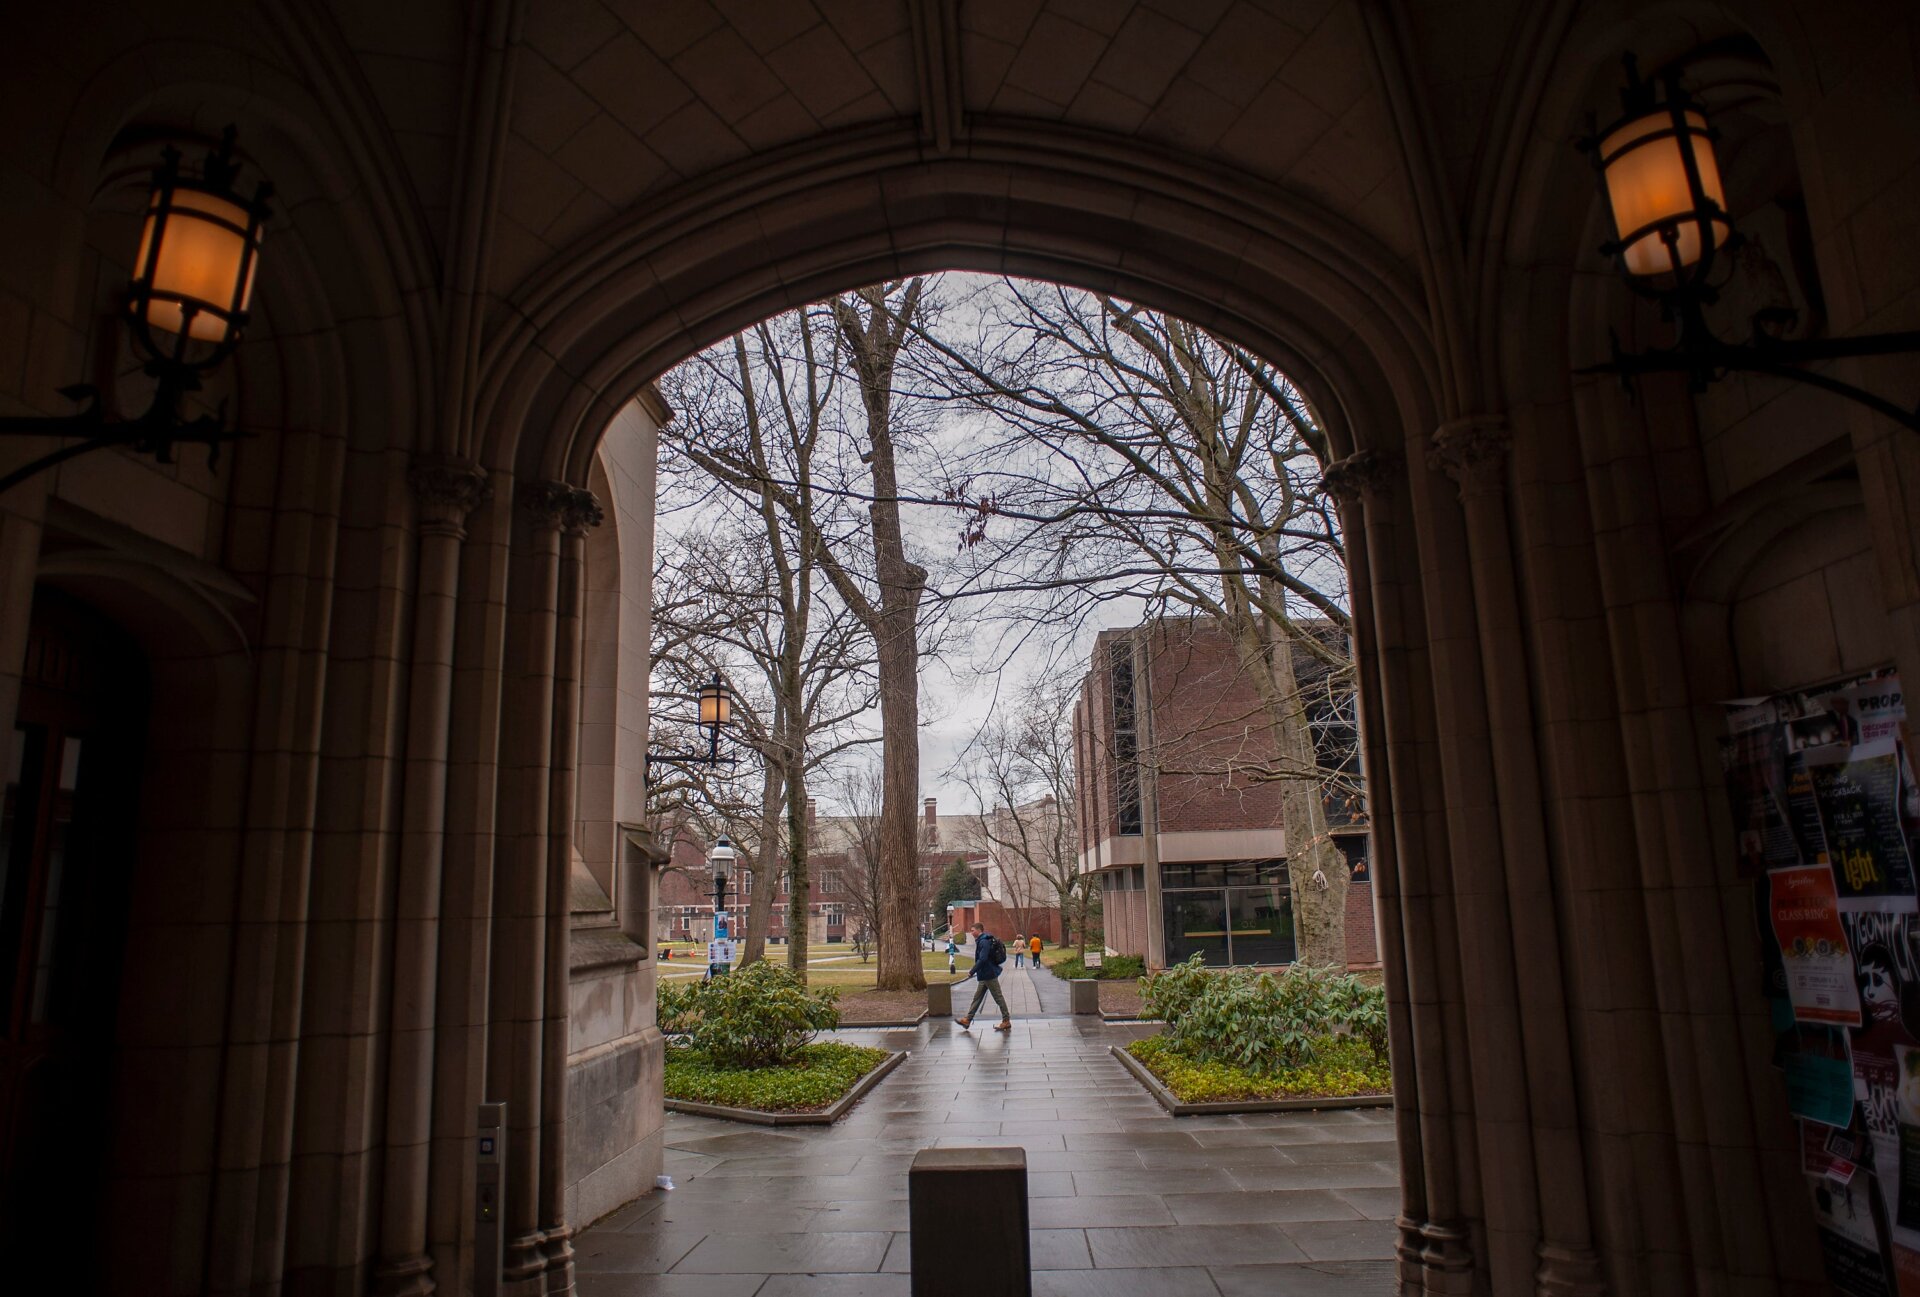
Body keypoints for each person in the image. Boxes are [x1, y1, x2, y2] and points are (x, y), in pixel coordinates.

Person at [956, 922, 1012, 1032]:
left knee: (998, 998)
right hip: (984, 975)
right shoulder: (982, 940)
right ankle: (968, 1019)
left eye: (972, 930)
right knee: (977, 998)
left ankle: (1006, 1020)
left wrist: (972, 971)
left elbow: (983, 959)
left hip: (989, 974)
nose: (971, 933)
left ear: (978, 930)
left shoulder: (984, 941)